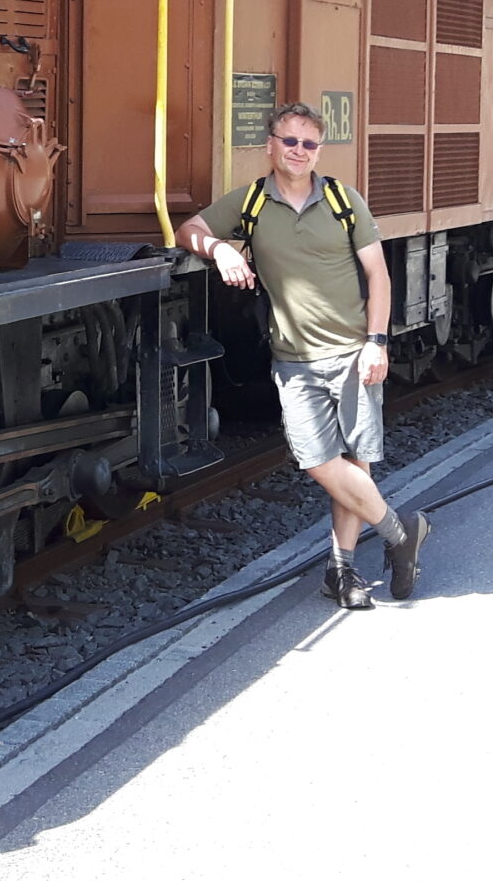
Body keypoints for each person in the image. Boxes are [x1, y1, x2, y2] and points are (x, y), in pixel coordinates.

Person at [175, 103, 429, 609]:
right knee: (318, 462)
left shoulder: (342, 200)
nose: (298, 152)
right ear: (270, 145)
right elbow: (188, 230)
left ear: (319, 151)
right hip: (294, 359)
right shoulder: (249, 202)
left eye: (309, 144)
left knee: (356, 462)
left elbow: (378, 276)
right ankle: (402, 535)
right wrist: (221, 249)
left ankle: (342, 572)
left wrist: (377, 342)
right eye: (289, 141)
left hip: (353, 352)